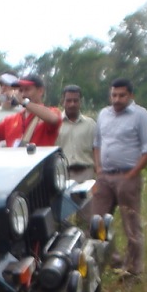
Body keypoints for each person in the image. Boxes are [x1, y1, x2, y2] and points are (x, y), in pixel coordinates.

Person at [92, 78, 147, 281]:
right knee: (96, 223)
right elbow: (97, 143)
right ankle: (113, 262)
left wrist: (132, 174)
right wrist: (99, 168)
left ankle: (133, 272)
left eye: (122, 95)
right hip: (105, 177)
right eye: (114, 95)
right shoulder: (104, 114)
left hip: (127, 176)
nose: (117, 99)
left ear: (131, 96)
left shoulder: (141, 116)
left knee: (131, 225)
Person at [0, 74, 61, 147]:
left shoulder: (52, 111)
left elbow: (53, 119)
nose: (23, 94)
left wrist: (23, 101)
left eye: (27, 90)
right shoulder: (12, 119)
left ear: (40, 91)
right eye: (20, 91)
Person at [57, 84, 97, 226]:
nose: (72, 104)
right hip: (63, 175)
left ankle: (86, 246)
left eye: (75, 100)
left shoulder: (90, 124)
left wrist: (99, 175)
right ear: (63, 101)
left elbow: (96, 150)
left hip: (85, 173)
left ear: (81, 101)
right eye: (69, 100)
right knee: (61, 217)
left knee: (87, 217)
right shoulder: (55, 123)